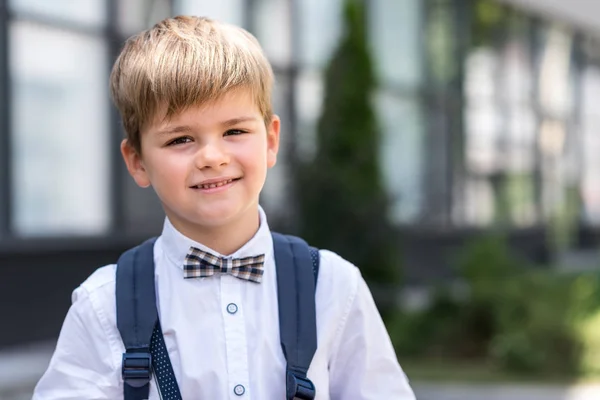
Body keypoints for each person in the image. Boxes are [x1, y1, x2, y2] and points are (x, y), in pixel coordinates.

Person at [32, 15, 416, 400]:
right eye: (181, 139)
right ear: (137, 161)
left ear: (270, 140)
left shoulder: (332, 287)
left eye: (234, 131)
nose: (212, 157)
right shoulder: (104, 304)